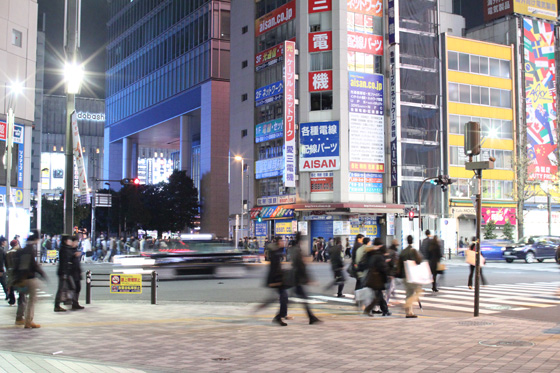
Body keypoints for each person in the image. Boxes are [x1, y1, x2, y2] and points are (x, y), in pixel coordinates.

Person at [12, 230, 48, 328]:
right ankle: (28, 321)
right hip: (28, 278)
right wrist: (42, 274)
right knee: (32, 300)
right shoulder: (30, 249)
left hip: (21, 278)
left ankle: (20, 318)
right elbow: (33, 265)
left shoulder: (22, 249)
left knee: (23, 298)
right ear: (36, 239)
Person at [288, 233, 321, 325]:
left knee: (294, 298)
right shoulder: (297, 250)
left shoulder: (293, 249)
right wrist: (308, 279)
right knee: (301, 298)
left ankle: (311, 317)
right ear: (301, 241)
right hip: (297, 278)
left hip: (294, 277)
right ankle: (311, 317)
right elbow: (301, 266)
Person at [362, 238, 391, 316]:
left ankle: (384, 310)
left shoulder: (370, 252)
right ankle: (369, 309)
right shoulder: (378, 255)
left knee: (378, 295)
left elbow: (365, 263)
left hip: (371, 276)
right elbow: (383, 268)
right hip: (377, 278)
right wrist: (386, 278)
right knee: (378, 296)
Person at [397, 235, 423, 318]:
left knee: (409, 293)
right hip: (412, 275)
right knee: (418, 291)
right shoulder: (413, 251)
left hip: (405, 275)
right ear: (413, 241)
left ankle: (409, 312)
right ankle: (407, 305)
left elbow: (399, 264)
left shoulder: (403, 251)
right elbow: (419, 261)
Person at [265, 237, 288, 326]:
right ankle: (279, 317)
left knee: (283, 297)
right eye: (281, 241)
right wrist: (274, 281)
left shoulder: (277, 251)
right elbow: (273, 268)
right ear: (278, 242)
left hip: (278, 278)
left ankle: (280, 316)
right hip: (276, 279)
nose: (283, 242)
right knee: (284, 297)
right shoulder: (275, 253)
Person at [54, 235, 75, 312]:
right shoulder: (64, 250)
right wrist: (65, 273)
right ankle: (57, 305)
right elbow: (65, 262)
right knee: (61, 289)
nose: (70, 242)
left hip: (65, 272)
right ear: (66, 241)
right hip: (64, 272)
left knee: (68, 287)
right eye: (69, 240)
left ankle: (64, 301)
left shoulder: (65, 249)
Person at [385, 239, 399, 305]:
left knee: (392, 286)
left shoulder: (388, 250)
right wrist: (393, 273)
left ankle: (396, 299)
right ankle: (385, 302)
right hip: (390, 272)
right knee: (389, 288)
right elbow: (394, 264)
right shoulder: (394, 252)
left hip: (386, 271)